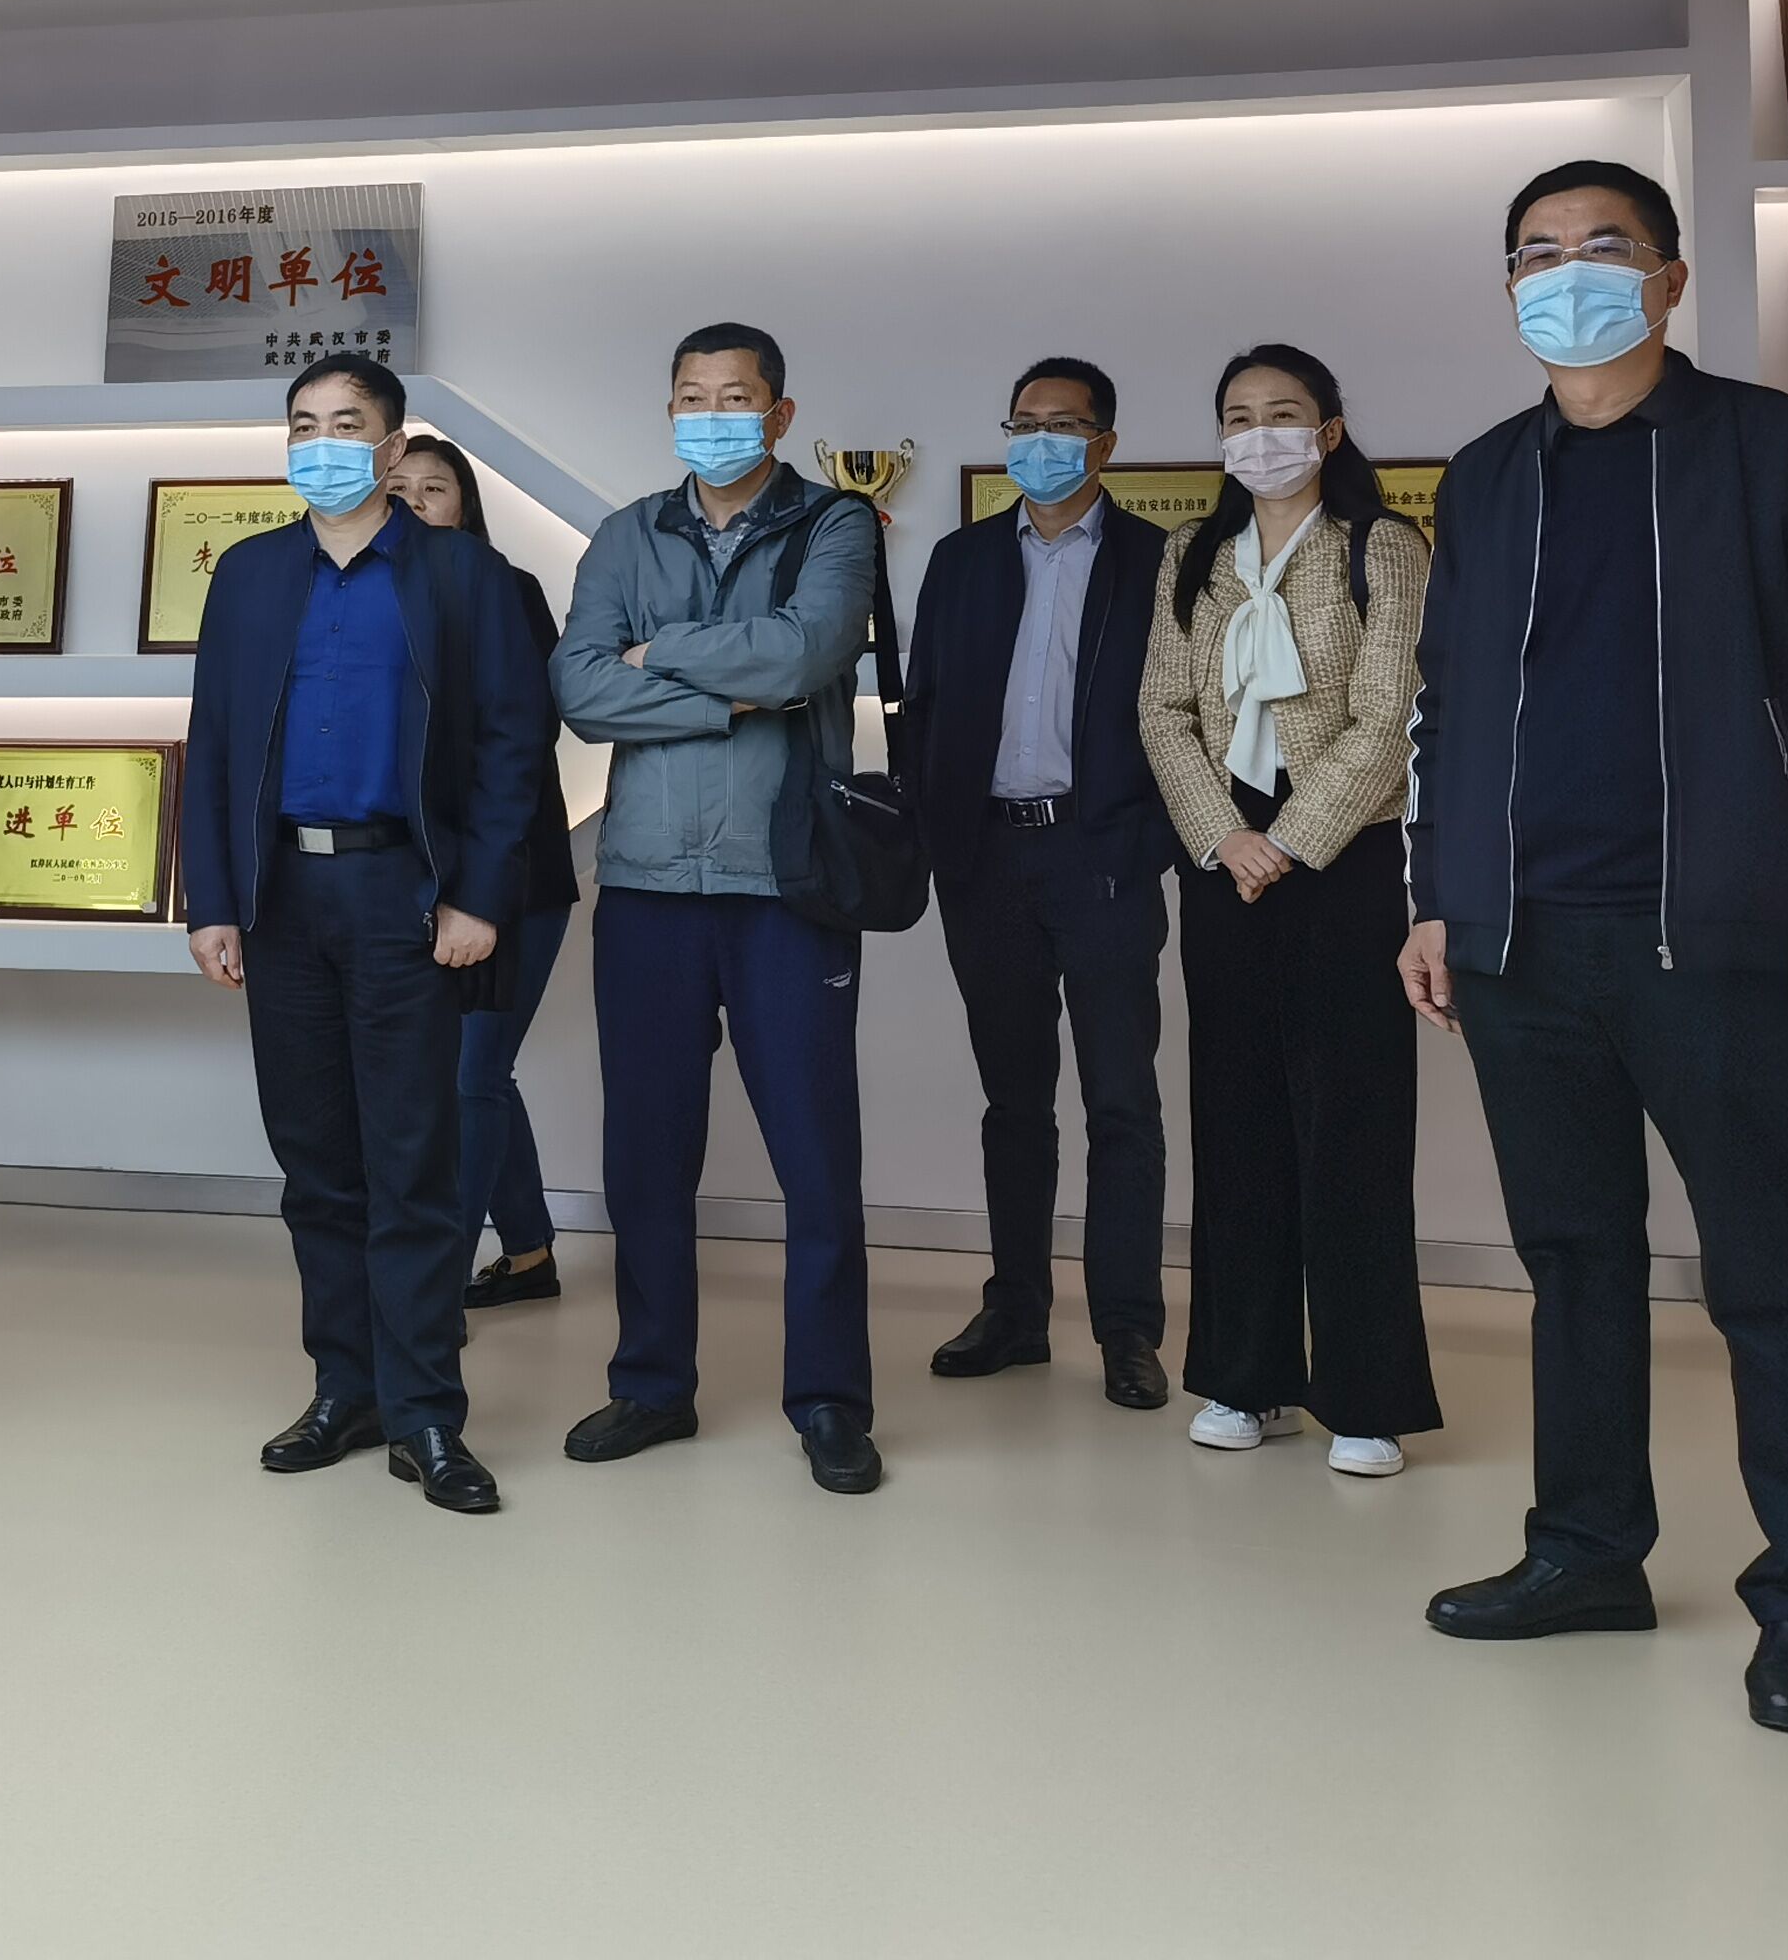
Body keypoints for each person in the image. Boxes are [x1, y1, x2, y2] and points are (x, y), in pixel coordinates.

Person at [1404, 160, 1788, 1737]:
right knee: (1574, 1261)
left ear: (1671, 278)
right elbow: (1442, 708)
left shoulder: (1775, 446)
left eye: (1603, 246)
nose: (1568, 275)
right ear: (1510, 289)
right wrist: (1434, 895)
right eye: (1536, 254)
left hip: (1723, 939)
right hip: (1520, 945)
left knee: (1769, 1270)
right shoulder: (1485, 479)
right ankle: (1586, 1553)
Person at [187, 355, 555, 1517]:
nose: (322, 445)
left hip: (407, 894)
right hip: (282, 900)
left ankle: (425, 1412)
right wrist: (212, 900)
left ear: (393, 449)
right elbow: (212, 742)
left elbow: (513, 745)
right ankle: (342, 1389)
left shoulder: (462, 574)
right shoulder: (249, 575)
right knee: (316, 1164)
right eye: (303, 426)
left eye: (346, 425)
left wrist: (478, 897)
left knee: (413, 1163)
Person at [549, 323, 887, 1495]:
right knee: (645, 1155)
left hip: (787, 883)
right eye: (691, 398)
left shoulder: (834, 525)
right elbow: (580, 687)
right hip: (647, 884)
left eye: (733, 397)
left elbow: (805, 654)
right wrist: (717, 698)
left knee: (815, 1155)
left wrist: (660, 657)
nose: (711, 417)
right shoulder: (625, 534)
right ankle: (652, 1384)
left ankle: (830, 1399)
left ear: (779, 414)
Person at [1137, 344, 1440, 1478]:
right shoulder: (1190, 554)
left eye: (1282, 413)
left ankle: (1363, 1395)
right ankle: (1243, 1377)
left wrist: (1293, 840)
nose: (1258, 433)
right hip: (1223, 853)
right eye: (1237, 416)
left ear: (1328, 430)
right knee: (1235, 1119)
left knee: (1352, 1126)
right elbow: (1162, 710)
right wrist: (1223, 836)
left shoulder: (1381, 545)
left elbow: (1389, 713)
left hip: (1344, 855)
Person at [904, 357, 1179, 1408]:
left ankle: (1127, 1328)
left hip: (1100, 855)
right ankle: (1016, 1310)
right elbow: (926, 705)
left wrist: (1145, 842)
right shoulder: (962, 559)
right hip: (988, 861)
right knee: (1013, 1102)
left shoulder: (1158, 560)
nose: (1040, 441)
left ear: (1104, 442)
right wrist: (937, 838)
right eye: (1024, 423)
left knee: (1121, 1102)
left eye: (1063, 425)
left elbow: (1188, 712)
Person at [382, 432, 581, 1311]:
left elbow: (527, 737)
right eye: (400, 488)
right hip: (410, 879)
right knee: (476, 1075)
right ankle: (529, 1252)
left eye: (435, 488)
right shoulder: (360, 592)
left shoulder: (506, 589)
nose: (416, 501)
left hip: (513, 875)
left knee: (468, 1077)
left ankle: (432, 1291)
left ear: (465, 506)